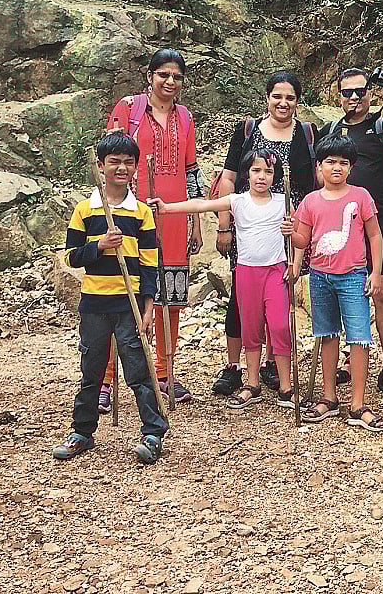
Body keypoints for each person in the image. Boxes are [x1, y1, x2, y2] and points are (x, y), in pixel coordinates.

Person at [150, 151, 297, 410]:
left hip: (275, 270)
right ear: (246, 174)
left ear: (276, 176)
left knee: (279, 326)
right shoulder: (237, 201)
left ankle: (286, 385)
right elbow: (200, 206)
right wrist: (167, 208)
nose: (262, 177)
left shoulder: (283, 202)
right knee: (250, 328)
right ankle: (252, 383)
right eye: (256, 170)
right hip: (246, 272)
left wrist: (294, 261)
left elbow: (298, 232)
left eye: (268, 172)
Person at [53, 132, 168, 465]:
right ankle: (82, 432)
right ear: (100, 166)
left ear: (135, 168)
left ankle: (153, 433)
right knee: (91, 369)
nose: (122, 167)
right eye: (114, 161)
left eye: (128, 162)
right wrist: (99, 246)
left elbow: (150, 264)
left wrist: (148, 309)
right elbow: (72, 257)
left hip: (129, 304)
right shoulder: (85, 210)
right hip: (94, 302)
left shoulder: (141, 213)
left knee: (138, 369)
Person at [100, 49, 203, 409]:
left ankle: (164, 371)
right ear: (150, 76)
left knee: (168, 296)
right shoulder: (128, 109)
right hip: (130, 211)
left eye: (176, 76)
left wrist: (196, 219)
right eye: (163, 75)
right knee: (121, 290)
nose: (170, 82)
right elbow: (110, 158)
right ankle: (106, 378)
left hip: (173, 213)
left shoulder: (186, 117)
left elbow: (191, 172)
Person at [212, 71, 318, 396]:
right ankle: (235, 366)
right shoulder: (247, 131)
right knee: (241, 297)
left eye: (290, 98)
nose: (283, 103)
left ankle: (273, 363)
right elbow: (229, 178)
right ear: (267, 98)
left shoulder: (306, 133)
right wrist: (224, 224)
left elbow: (313, 182)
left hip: (289, 223)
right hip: (248, 222)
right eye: (277, 96)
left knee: (280, 294)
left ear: (298, 103)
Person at [318, 68, 383, 401]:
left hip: (379, 222)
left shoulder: (380, 122)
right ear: (338, 96)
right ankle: (349, 356)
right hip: (343, 226)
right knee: (344, 292)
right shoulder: (332, 130)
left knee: (382, 291)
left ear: (369, 93)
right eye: (347, 93)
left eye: (360, 91)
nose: (354, 98)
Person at [291, 135, 383, 433]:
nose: (337, 168)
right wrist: (289, 230)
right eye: (330, 162)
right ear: (319, 167)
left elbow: (375, 234)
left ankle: (358, 403)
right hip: (320, 276)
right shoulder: (310, 201)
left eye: (343, 163)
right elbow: (302, 242)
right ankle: (329, 396)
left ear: (351, 167)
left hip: (353, 275)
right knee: (328, 334)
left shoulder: (360, 197)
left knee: (359, 337)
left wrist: (376, 272)